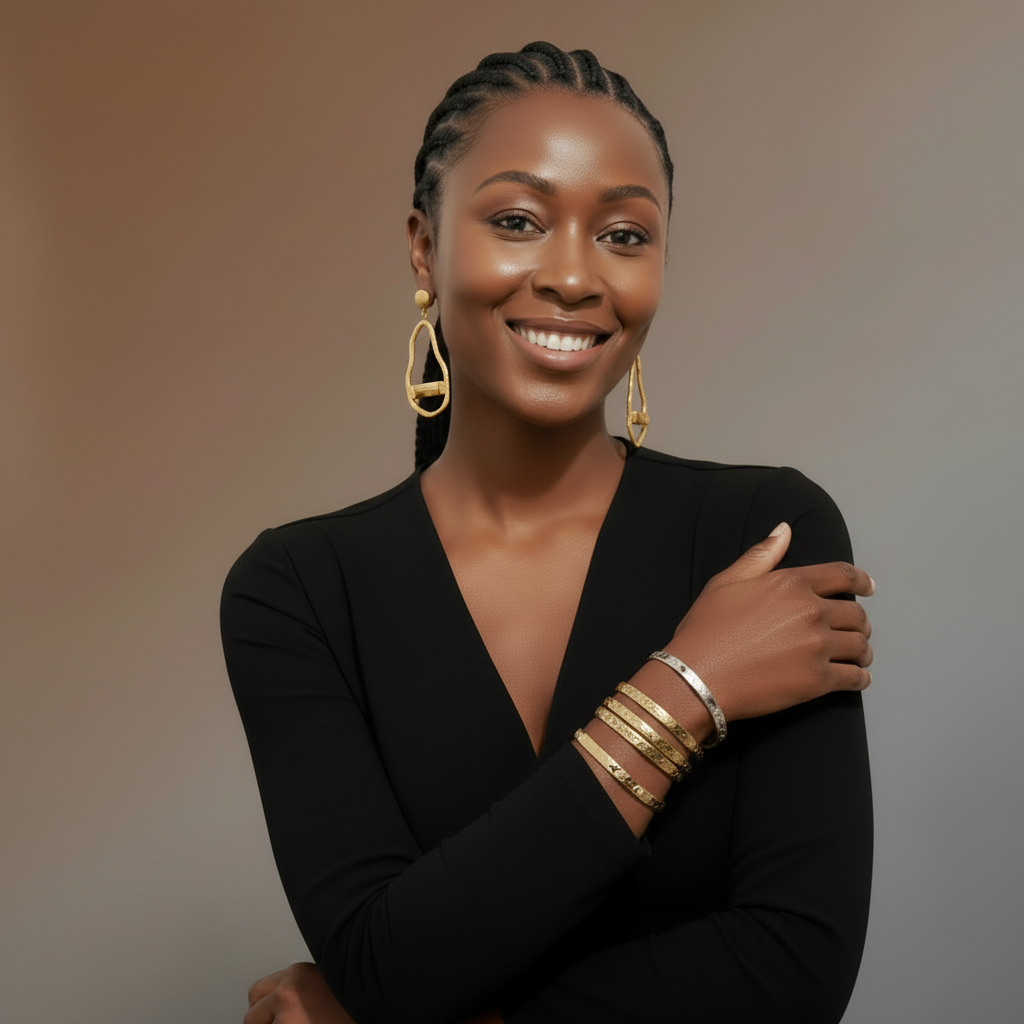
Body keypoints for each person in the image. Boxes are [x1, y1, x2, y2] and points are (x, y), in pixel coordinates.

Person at [221, 41, 874, 1024]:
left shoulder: (763, 533)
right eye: (518, 221)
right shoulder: (299, 589)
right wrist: (685, 689)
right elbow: (385, 957)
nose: (573, 276)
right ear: (422, 248)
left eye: (622, 234)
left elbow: (795, 971)